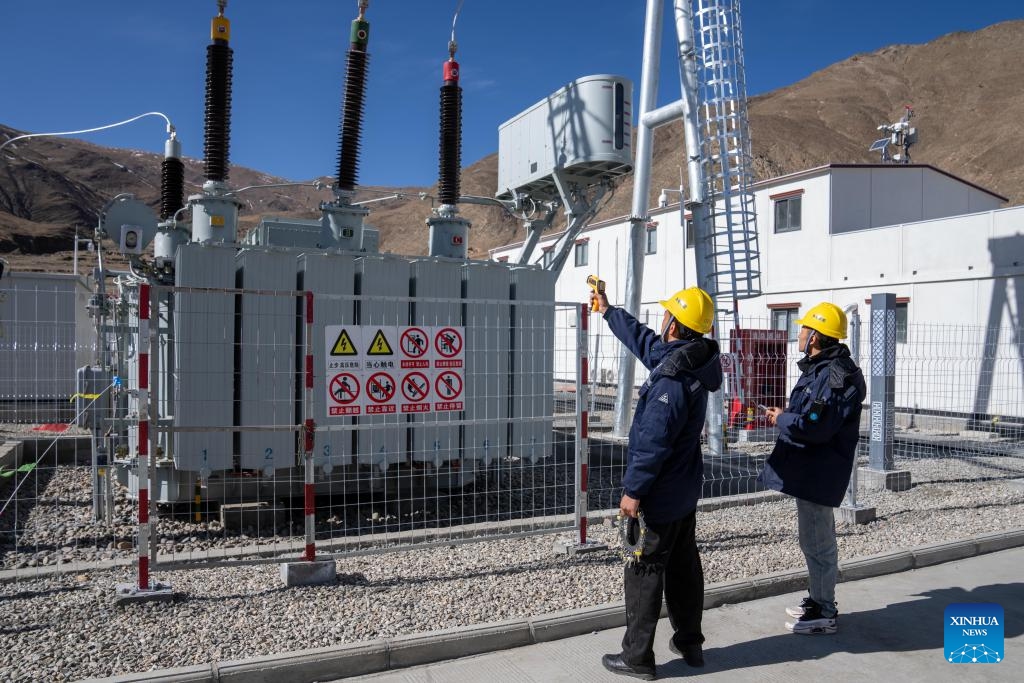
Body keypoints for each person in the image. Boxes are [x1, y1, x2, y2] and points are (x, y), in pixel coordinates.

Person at [592, 286, 723, 680]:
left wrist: (633, 492)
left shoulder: (669, 381)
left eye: (667, 315)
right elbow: (646, 344)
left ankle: (636, 658)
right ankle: (690, 643)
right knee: (684, 566)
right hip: (684, 491)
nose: (661, 320)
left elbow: (651, 443)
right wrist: (609, 310)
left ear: (675, 325)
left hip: (662, 496)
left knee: (645, 571)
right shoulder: (693, 360)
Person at [759, 301, 866, 635]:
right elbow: (812, 415)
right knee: (813, 539)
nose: (799, 333)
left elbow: (817, 427)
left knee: (819, 542)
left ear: (816, 335)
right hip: (812, 470)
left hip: (820, 473)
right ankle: (819, 598)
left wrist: (783, 419)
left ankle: (824, 611)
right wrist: (789, 416)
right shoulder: (821, 369)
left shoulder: (835, 376)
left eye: (804, 328)